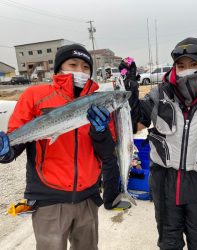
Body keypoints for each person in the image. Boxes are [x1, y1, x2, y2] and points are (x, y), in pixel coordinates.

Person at [121, 37, 197, 249]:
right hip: (164, 183)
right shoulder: (160, 95)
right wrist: (130, 90)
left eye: (194, 64)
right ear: (175, 67)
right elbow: (135, 123)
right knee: (168, 242)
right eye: (181, 65)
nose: (187, 70)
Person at [0, 44, 121, 250]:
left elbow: (108, 153)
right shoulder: (35, 95)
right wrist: (6, 151)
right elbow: (16, 141)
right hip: (49, 198)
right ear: (58, 69)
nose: (80, 72)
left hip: (88, 197)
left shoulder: (101, 101)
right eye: (72, 65)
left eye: (85, 67)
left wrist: (99, 132)